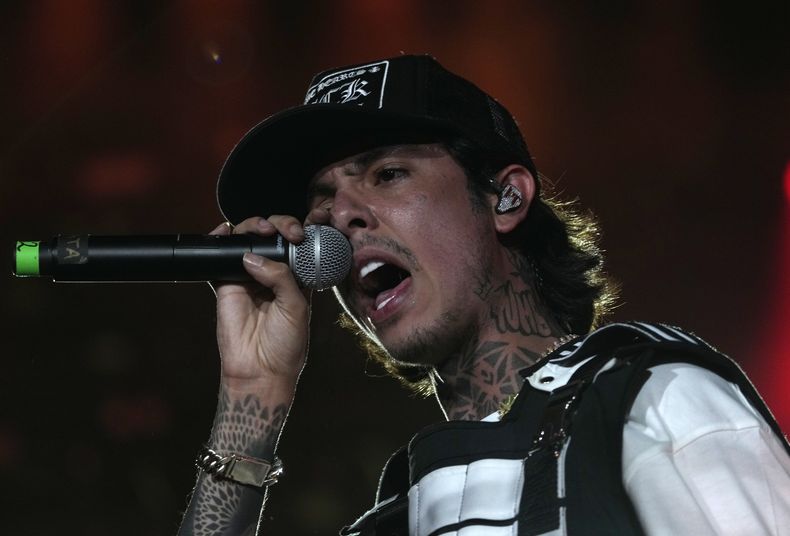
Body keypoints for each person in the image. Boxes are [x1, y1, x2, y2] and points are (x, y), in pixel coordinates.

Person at [177, 55, 790, 535]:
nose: (339, 217)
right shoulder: (396, 516)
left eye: (387, 174)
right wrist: (250, 395)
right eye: (319, 203)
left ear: (506, 198)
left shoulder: (655, 406)